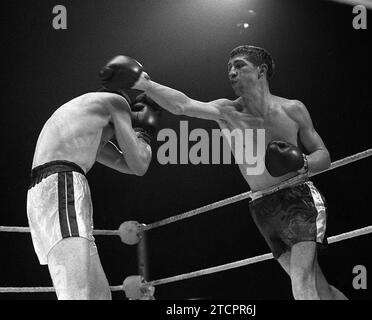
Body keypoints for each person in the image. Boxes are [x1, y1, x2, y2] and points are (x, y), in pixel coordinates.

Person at [131, 45, 348, 300]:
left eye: (240, 65)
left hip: (298, 199)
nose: (232, 72)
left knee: (301, 282)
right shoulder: (227, 111)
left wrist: (302, 163)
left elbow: (324, 156)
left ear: (261, 70)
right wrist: (146, 85)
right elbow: (183, 106)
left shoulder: (292, 109)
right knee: (319, 288)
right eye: (229, 68)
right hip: (261, 206)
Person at [26, 56, 161, 300]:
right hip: (61, 185)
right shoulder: (116, 102)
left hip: (54, 188)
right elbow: (140, 163)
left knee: (99, 296)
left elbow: (128, 165)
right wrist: (143, 133)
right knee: (76, 294)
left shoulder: (83, 129)